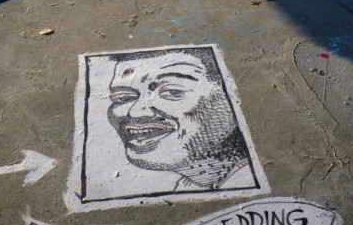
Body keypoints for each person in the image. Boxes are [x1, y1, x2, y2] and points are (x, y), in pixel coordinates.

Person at [107, 47, 255, 191]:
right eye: (123, 97)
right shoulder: (188, 186)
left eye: (173, 91)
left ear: (229, 98)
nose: (136, 113)